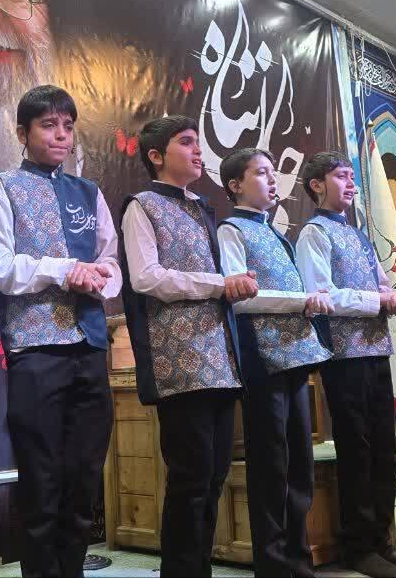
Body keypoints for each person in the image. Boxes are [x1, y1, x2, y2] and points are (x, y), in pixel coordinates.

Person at [0, 84, 121, 577]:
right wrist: (61, 270)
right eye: (48, 125)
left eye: (67, 126)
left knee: (83, 478)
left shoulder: (88, 193)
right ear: (22, 133)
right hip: (35, 351)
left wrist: (99, 277)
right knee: (41, 480)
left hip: (89, 347)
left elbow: (111, 262)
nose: (61, 135)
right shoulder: (5, 188)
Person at [119, 116, 248, 578]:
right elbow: (146, 278)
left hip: (219, 360)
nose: (198, 150)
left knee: (213, 478)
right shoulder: (142, 206)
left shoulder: (202, 208)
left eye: (197, 142)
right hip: (179, 364)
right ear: (156, 156)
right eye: (186, 142)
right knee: (190, 480)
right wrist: (219, 284)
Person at [294, 151, 396, 578]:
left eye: (352, 176)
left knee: (384, 449)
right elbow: (322, 295)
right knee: (357, 451)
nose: (351, 184)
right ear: (316, 185)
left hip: (376, 350)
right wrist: (378, 301)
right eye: (341, 176)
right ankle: (358, 546)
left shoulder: (358, 234)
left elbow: (379, 283)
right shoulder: (313, 234)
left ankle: (382, 542)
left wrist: (395, 295)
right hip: (344, 356)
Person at [216, 148, 334, 578]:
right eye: (261, 173)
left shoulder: (276, 233)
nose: (272, 180)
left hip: (296, 357)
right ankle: (274, 564)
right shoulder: (231, 230)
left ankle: (298, 558)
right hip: (262, 360)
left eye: (273, 173)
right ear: (235, 185)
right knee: (272, 464)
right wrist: (301, 301)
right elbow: (239, 296)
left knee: (299, 462)